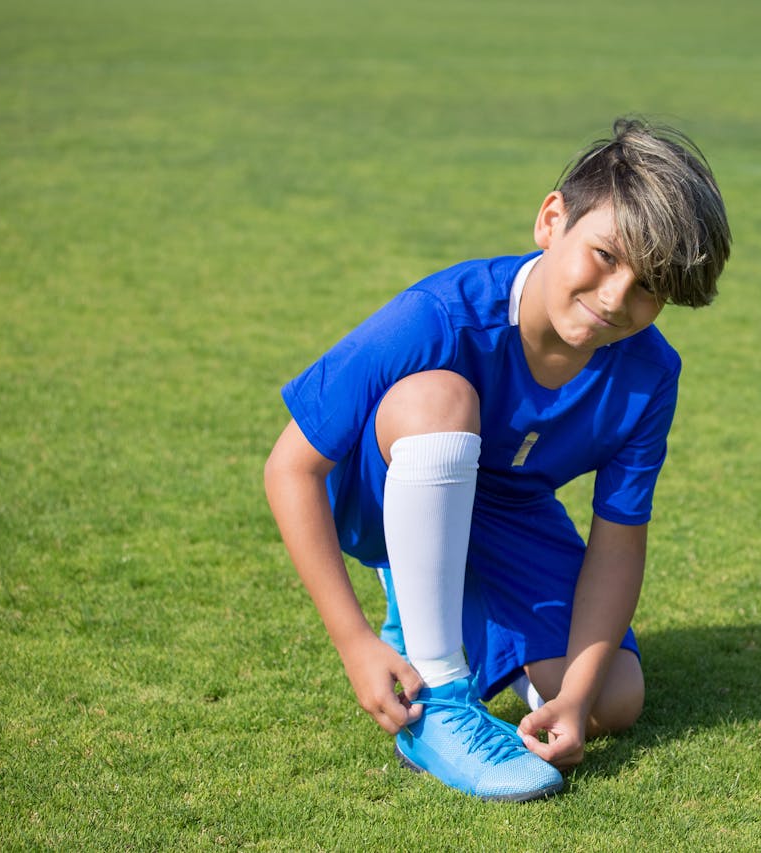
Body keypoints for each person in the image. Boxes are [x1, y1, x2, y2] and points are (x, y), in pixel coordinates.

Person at [264, 117, 730, 802]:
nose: (614, 297)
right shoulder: (439, 315)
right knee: (438, 400)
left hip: (507, 510)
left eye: (647, 286)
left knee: (615, 700)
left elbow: (619, 543)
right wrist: (354, 640)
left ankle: (454, 613)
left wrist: (572, 695)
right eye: (605, 255)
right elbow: (291, 467)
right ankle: (441, 700)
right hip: (380, 491)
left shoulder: (650, 373)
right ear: (551, 219)